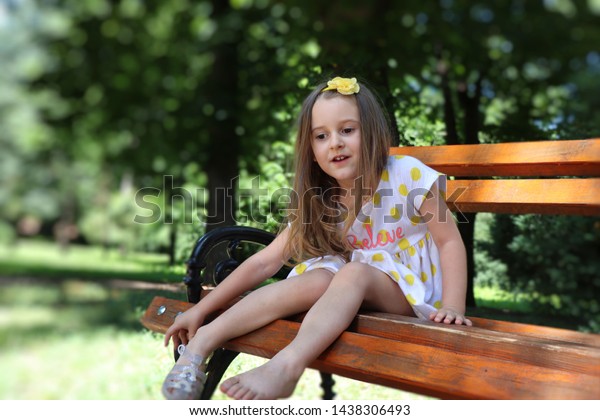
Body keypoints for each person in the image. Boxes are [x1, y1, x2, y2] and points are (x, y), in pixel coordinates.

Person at [161, 76, 471, 400]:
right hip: (354, 286)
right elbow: (265, 261)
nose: (334, 143)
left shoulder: (408, 175)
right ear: (311, 149)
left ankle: (286, 366)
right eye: (321, 136)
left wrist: (452, 306)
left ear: (373, 132)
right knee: (319, 277)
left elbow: (448, 241)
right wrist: (202, 308)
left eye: (347, 130)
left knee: (352, 271)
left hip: (413, 293)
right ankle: (201, 344)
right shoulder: (321, 197)